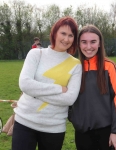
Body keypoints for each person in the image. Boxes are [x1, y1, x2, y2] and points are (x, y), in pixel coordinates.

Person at [12, 16, 82, 150]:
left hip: (54, 128)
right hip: (24, 123)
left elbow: (69, 98)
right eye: (63, 33)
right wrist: (58, 89)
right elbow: (25, 84)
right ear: (54, 32)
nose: (66, 39)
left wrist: (34, 93)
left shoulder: (76, 65)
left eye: (70, 35)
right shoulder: (35, 54)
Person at [69, 25, 116, 150]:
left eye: (93, 42)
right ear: (79, 44)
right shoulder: (74, 68)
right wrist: (73, 117)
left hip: (107, 132)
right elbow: (65, 96)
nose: (89, 47)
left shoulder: (110, 66)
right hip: (82, 133)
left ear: (99, 44)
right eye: (84, 42)